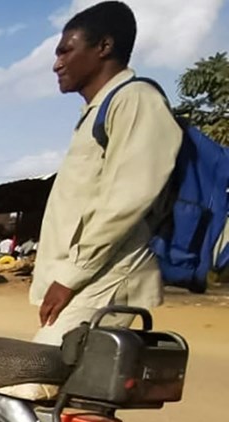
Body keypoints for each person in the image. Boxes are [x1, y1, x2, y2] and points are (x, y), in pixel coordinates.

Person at [32, 1, 181, 346]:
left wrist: (70, 276)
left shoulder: (135, 99)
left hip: (108, 276)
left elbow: (125, 199)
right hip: (89, 281)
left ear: (104, 47)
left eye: (66, 51)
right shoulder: (99, 110)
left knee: (33, 381)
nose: (57, 64)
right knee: (72, 394)